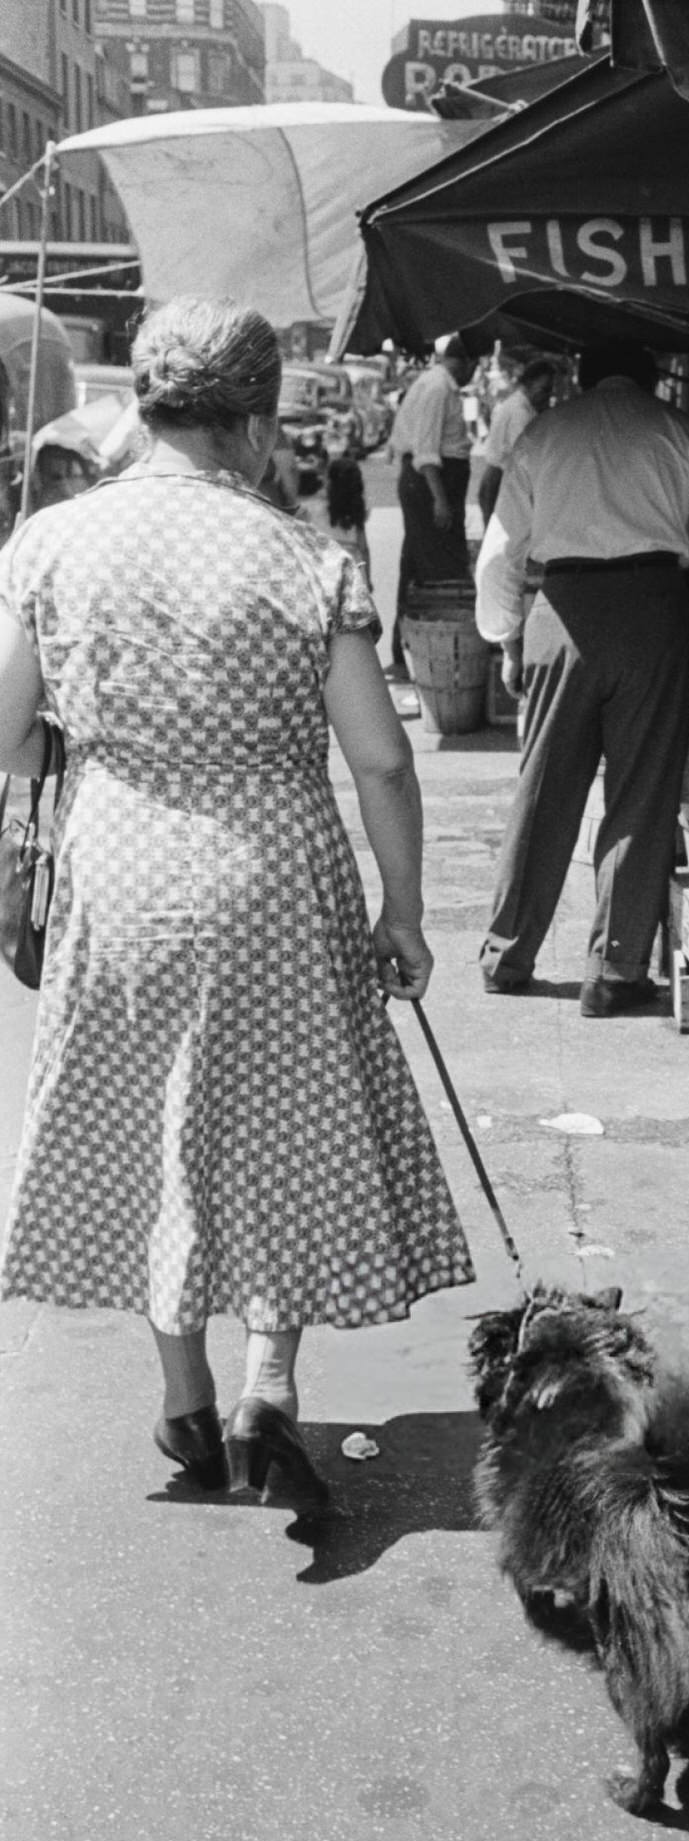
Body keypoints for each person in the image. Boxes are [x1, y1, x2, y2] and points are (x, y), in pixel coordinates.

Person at [0, 296, 474, 1505]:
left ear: (150, 410)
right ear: (257, 425)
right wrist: (403, 913)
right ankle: (271, 1384)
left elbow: (7, 734)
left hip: (116, 875)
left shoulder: (53, 544)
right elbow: (379, 759)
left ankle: (187, 1409)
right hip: (276, 880)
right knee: (281, 1128)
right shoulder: (307, 558)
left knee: (153, 1130)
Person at [474, 336, 689, 1015]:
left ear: (585, 377)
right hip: (652, 612)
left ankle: (506, 955)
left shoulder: (545, 432)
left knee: (543, 787)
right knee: (642, 791)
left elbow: (499, 555)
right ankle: (616, 970)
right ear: (652, 377)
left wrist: (507, 637)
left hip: (561, 609)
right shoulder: (677, 430)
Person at [388, 333, 474, 667]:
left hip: (429, 484)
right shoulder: (438, 387)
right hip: (429, 485)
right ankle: (430, 654)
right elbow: (426, 452)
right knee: (436, 568)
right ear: (466, 363)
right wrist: (439, 499)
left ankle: (408, 648)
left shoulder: (437, 383)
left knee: (418, 562)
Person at [475, 357, 556, 526]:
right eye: (544, 389)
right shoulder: (520, 411)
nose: (546, 396)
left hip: (500, 477)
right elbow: (523, 456)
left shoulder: (523, 406)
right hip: (500, 478)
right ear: (530, 383)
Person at [322, 454, 371, 583]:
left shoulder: (319, 509)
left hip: (327, 565)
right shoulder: (358, 509)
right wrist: (368, 578)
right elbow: (364, 548)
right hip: (354, 565)